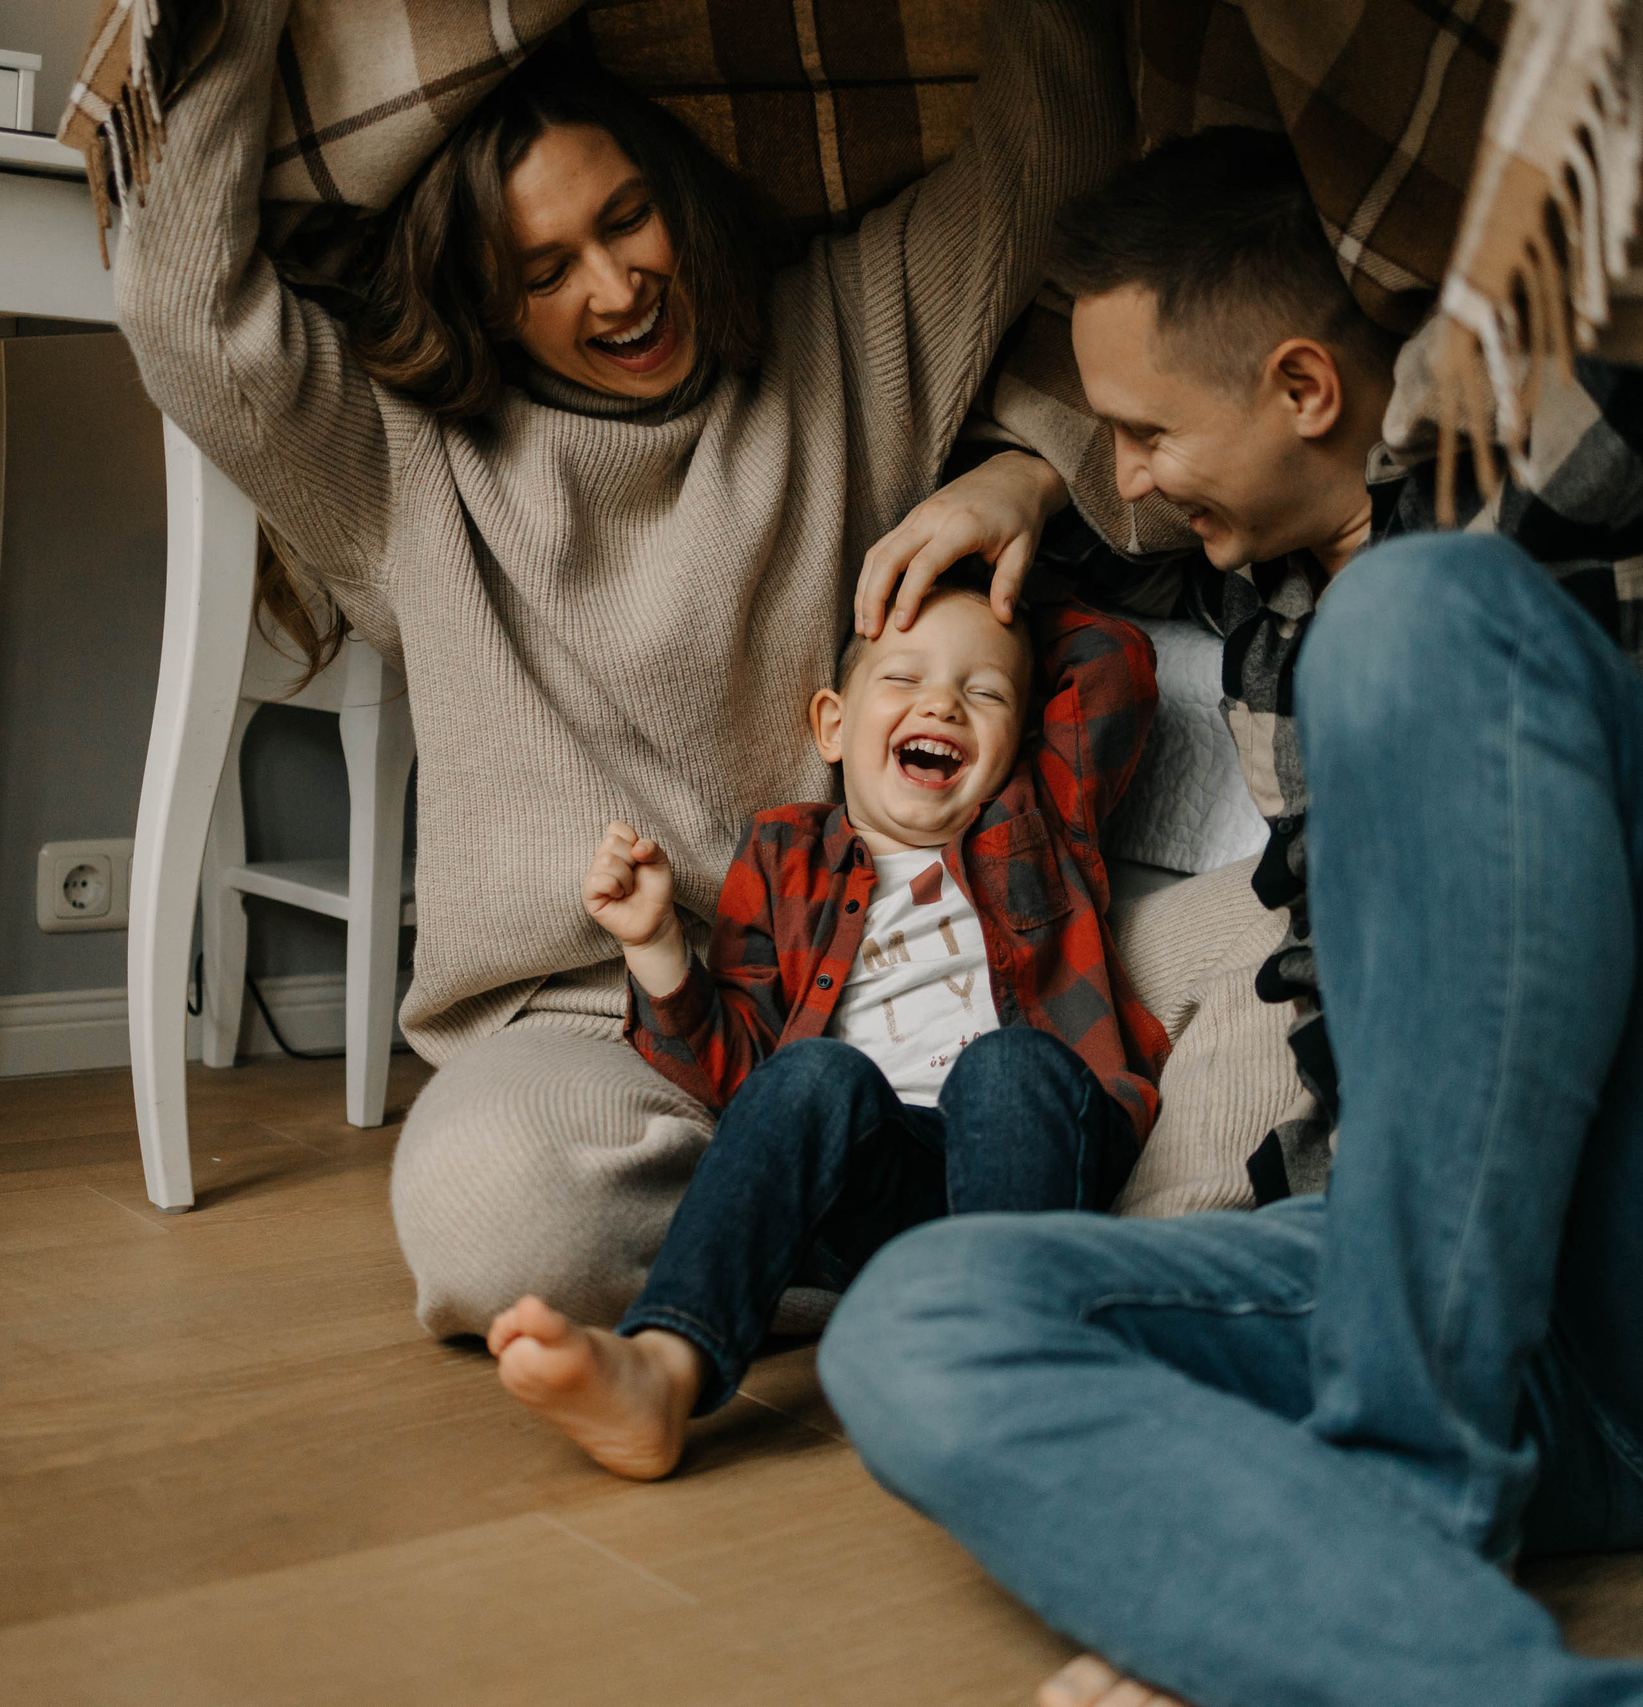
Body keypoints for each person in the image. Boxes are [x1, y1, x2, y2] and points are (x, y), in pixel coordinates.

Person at [817, 130, 1643, 1707]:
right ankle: (1396, 1623)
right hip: (1493, 1341)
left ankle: (1392, 1501)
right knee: (915, 1323)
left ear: (1309, 389)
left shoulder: (1587, 489)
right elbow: (1111, 508)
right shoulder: (1260, 586)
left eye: (1143, 434)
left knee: (1410, 617)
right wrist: (1022, 468)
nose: (1131, 479)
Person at [109, 0, 1128, 1335]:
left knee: (1191, 1040)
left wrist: (1030, 467)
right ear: (483, 299)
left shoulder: (847, 331)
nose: (613, 286)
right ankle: (935, 1247)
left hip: (844, 994)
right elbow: (180, 306)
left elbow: (1049, 157)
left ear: (682, 197)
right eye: (541, 271)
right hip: (586, 1023)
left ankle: (825, 1240)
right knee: (494, 1220)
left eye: (626, 217)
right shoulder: (401, 462)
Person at [486, 584, 1170, 1478]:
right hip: (878, 1184)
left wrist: (1005, 542)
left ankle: (996, 1364)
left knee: (1002, 1067)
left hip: (1028, 1151)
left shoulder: (1039, 815)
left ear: (1024, 729)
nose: (942, 703)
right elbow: (744, 1077)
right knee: (811, 1072)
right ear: (833, 726)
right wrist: (654, 945)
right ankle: (663, 1366)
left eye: (987, 692)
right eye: (906, 677)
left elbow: (1115, 658)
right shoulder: (782, 855)